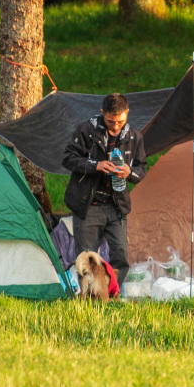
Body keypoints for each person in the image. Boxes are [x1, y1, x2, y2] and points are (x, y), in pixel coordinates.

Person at [62, 92, 148, 285]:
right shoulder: (86, 130)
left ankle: (110, 294)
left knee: (120, 255)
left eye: (120, 121)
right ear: (102, 113)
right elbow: (68, 158)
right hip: (88, 205)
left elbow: (142, 169)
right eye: (110, 122)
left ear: (127, 113)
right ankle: (89, 300)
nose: (116, 126)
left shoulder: (134, 136)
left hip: (117, 206)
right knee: (87, 259)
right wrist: (95, 165)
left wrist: (129, 172)